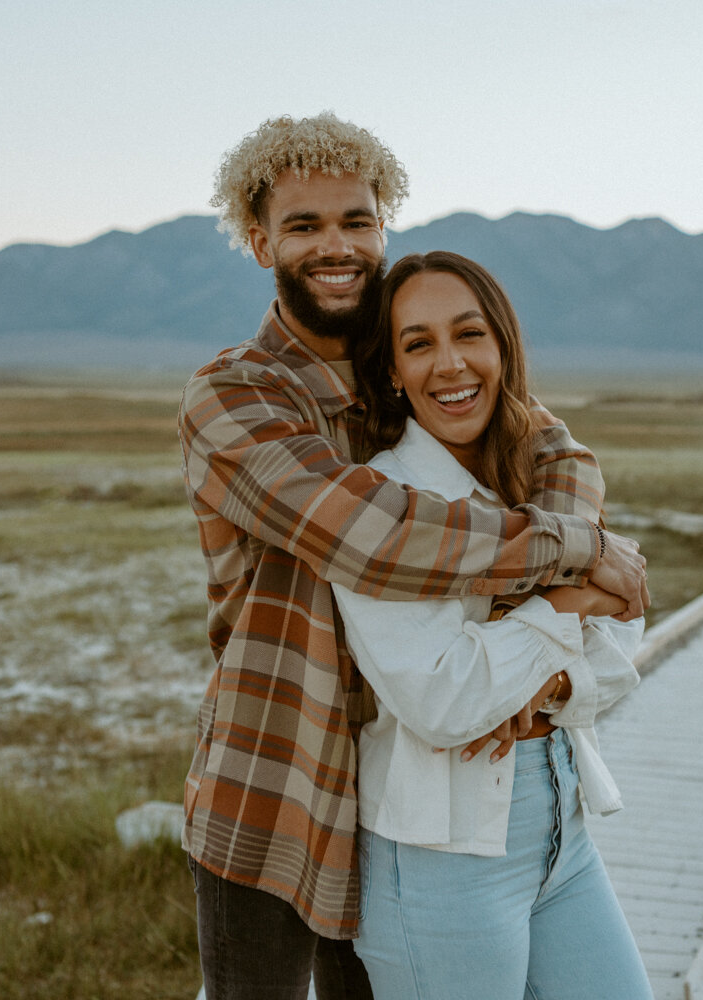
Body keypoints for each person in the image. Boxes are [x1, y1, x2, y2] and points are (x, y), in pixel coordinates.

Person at [178, 113, 649, 1000]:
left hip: (405, 786)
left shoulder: (406, 362)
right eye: (304, 225)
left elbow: (558, 454)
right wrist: (575, 567)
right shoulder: (235, 393)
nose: (337, 245)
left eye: (357, 220)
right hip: (283, 770)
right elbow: (373, 535)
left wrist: (531, 667)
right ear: (257, 241)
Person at [335, 250, 654, 999]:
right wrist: (573, 604)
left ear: (503, 347)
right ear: (391, 372)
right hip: (440, 861)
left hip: (562, 838)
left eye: (469, 334)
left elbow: (622, 650)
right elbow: (445, 702)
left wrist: (533, 685)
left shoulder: (543, 481)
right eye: (419, 344)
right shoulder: (381, 503)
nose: (450, 365)